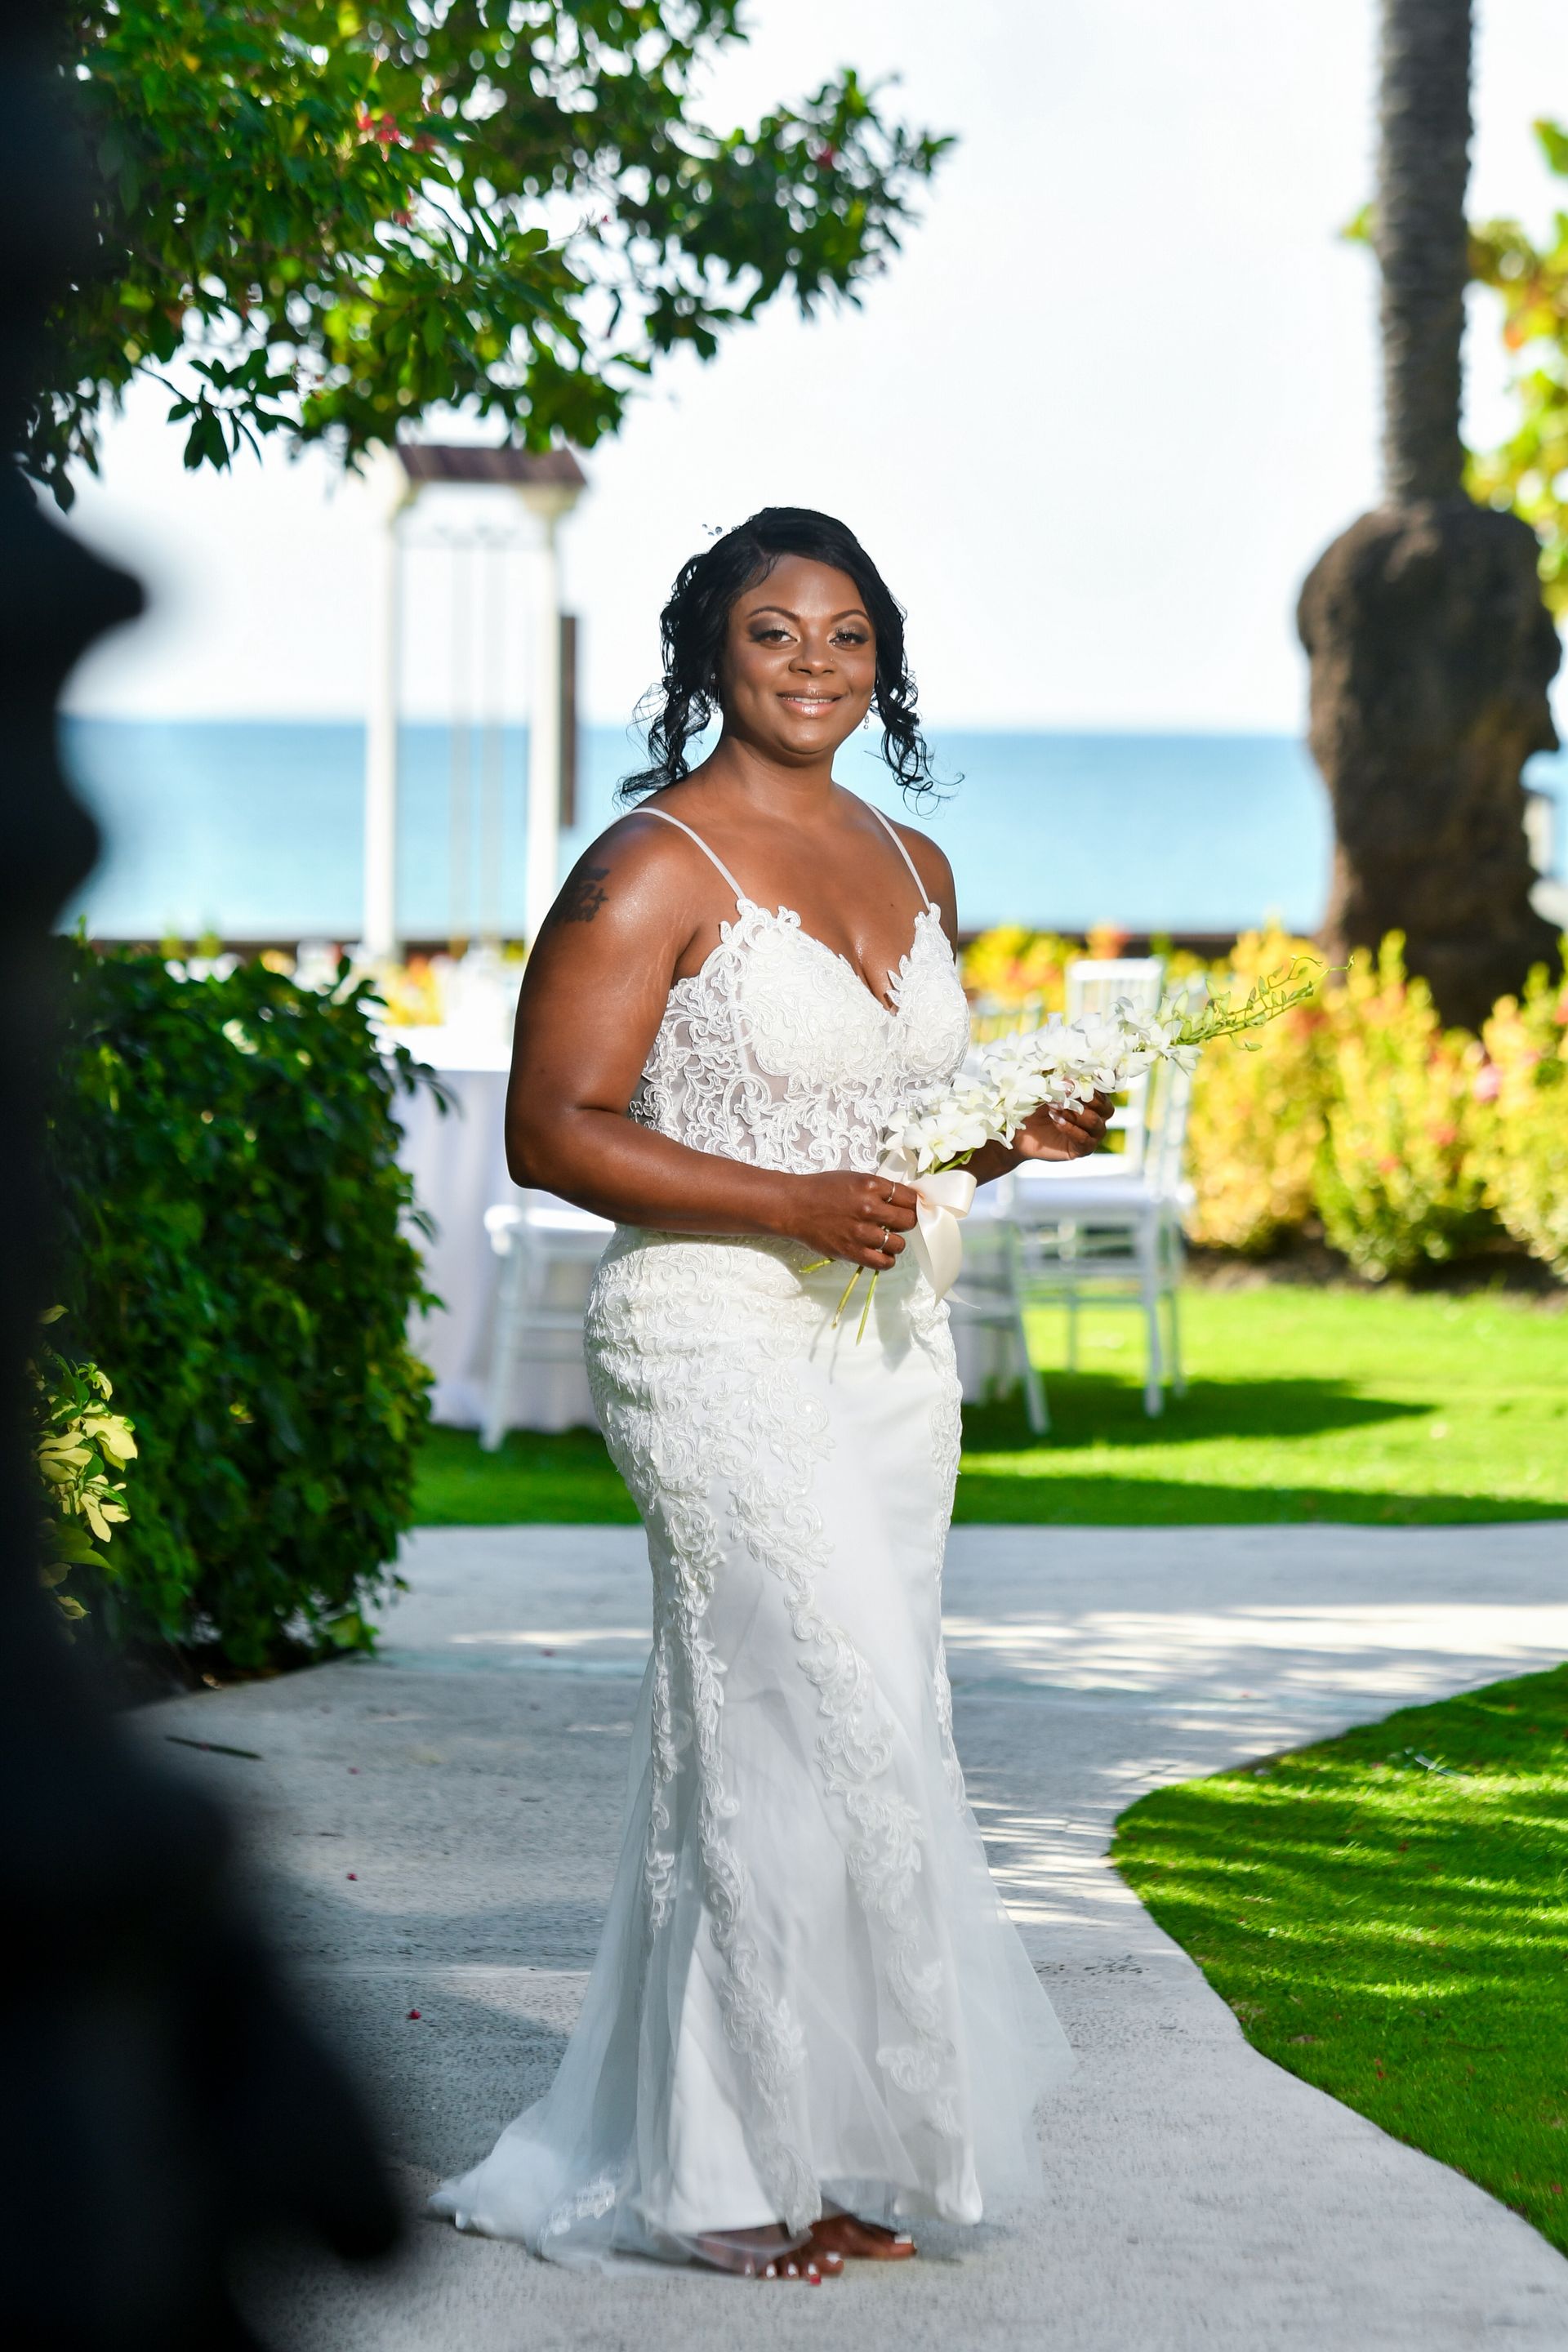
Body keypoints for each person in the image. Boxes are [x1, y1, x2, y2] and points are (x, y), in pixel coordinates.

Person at [432, 508, 1106, 2280]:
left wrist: (1006, 1137)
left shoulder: (918, 864)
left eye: (848, 637)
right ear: (711, 656)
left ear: (887, 660)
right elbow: (552, 1128)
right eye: (774, 635)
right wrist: (791, 1206)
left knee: (865, 1727)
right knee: (794, 1718)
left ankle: (844, 2150)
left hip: (887, 1356)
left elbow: (891, 1146)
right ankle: (724, 2177)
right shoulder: (650, 866)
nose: (814, 667)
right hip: (711, 1334)